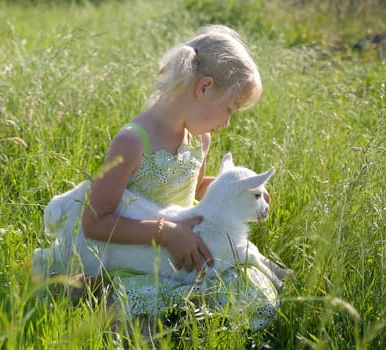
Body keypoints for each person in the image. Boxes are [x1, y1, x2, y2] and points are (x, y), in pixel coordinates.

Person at [77, 25, 278, 331]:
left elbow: (193, 189)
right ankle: (99, 292)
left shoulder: (199, 140)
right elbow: (94, 221)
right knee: (145, 317)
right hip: (139, 256)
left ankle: (191, 313)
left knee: (254, 294)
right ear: (205, 87)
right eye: (229, 109)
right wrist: (168, 233)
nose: (226, 122)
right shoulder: (133, 141)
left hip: (186, 257)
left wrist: (238, 193)